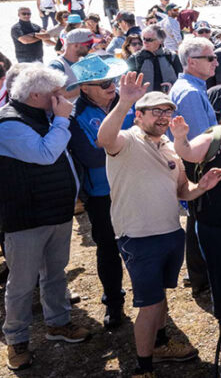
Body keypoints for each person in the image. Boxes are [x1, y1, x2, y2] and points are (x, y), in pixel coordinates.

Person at [98, 76, 218, 376]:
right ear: (139, 116)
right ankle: (143, 368)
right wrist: (124, 100)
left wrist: (201, 186)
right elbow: (104, 139)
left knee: (161, 296)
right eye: (156, 112)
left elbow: (182, 191)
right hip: (139, 237)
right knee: (149, 305)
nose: (163, 117)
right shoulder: (126, 140)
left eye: (167, 112)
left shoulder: (168, 146)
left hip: (170, 233)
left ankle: (161, 343)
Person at [0, 65, 90, 371]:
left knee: (55, 273)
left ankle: (58, 324)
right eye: (54, 92)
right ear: (36, 94)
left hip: (55, 211)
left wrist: (59, 117)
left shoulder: (42, 116)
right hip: (26, 218)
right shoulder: (8, 123)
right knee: (23, 283)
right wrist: (62, 118)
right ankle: (17, 340)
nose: (60, 97)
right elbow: (45, 153)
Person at [66, 55, 131, 330]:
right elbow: (91, 158)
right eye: (103, 82)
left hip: (133, 186)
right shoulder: (74, 115)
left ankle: (151, 303)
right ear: (84, 87)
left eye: (113, 80)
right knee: (107, 248)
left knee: (140, 244)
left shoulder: (128, 103)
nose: (111, 86)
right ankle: (114, 303)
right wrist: (129, 147)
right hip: (102, 194)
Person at [129, 25, 182, 93]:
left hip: (168, 99)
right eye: (143, 38)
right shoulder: (135, 59)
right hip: (145, 101)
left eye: (149, 40)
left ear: (160, 41)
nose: (145, 42)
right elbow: (127, 84)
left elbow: (181, 80)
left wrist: (173, 88)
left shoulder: (171, 56)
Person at [49, 27, 94, 99]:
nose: (91, 48)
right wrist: (90, 87)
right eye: (89, 45)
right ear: (76, 46)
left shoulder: (84, 60)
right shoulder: (56, 66)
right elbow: (55, 94)